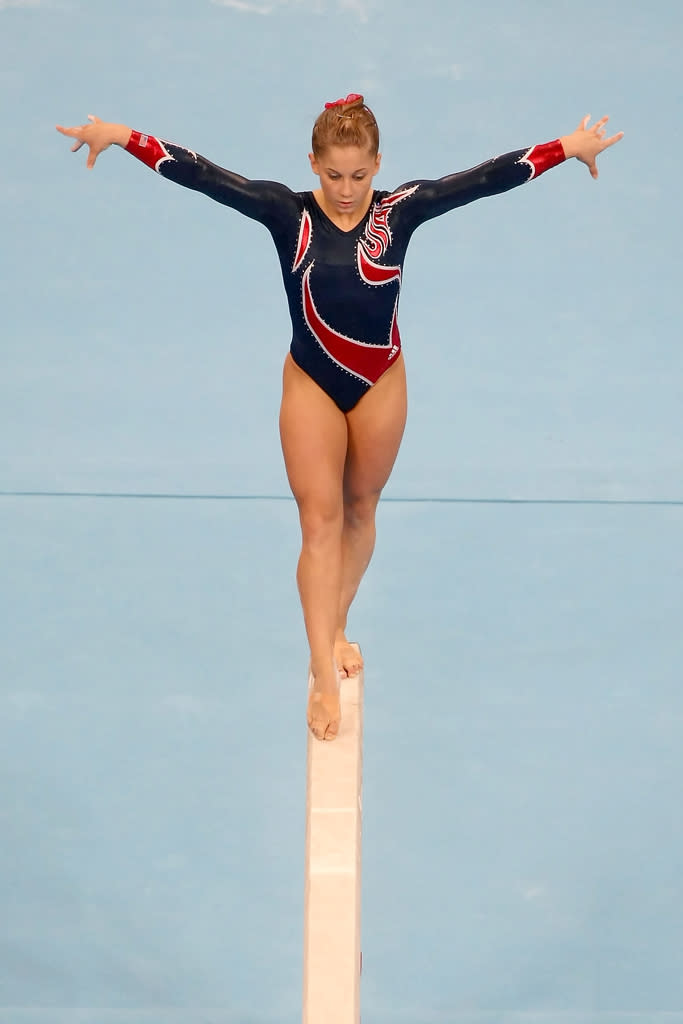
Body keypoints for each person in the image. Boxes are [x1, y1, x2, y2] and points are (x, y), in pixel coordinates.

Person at [56, 95, 623, 741]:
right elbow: (201, 172)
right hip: (310, 382)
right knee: (319, 522)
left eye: (359, 176)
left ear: (377, 165)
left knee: (360, 509)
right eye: (332, 176)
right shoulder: (283, 211)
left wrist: (563, 147)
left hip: (380, 381)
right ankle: (322, 671)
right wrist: (121, 134)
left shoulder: (399, 209)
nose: (347, 191)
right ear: (312, 165)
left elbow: (484, 178)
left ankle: (335, 624)